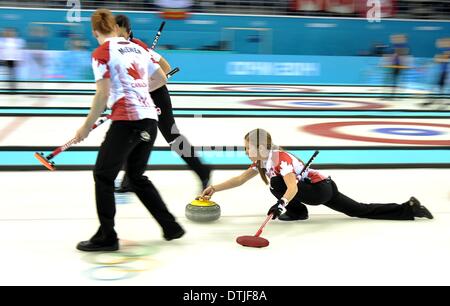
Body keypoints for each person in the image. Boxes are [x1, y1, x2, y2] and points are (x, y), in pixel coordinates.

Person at [75, 9, 184, 252]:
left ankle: (107, 236)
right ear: (115, 27)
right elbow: (162, 78)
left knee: (103, 176)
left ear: (95, 32)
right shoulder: (136, 47)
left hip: (127, 121)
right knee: (135, 177)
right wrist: (138, 89)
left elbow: (102, 94)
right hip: (149, 118)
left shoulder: (101, 53)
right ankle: (171, 227)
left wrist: (85, 127)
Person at [200, 128, 433, 222]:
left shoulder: (279, 159)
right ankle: (409, 208)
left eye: (247, 147)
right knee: (359, 210)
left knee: (277, 184)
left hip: (319, 190)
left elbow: (290, 188)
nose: (245, 151)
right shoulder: (262, 162)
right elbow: (240, 179)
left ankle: (297, 212)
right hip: (323, 187)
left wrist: (280, 206)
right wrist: (214, 188)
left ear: (260, 147)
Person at [114, 14, 211, 193]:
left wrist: (148, 86)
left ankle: (203, 171)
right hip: (140, 97)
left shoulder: (138, 47)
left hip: (156, 95)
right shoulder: (117, 49)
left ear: (128, 32)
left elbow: (165, 68)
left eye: (120, 34)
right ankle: (129, 180)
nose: (117, 38)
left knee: (171, 136)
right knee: (133, 132)